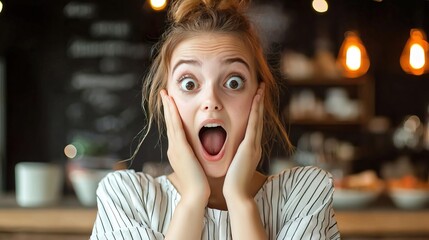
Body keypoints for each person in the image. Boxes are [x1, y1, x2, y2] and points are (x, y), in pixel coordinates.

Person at [90, 0, 340, 239]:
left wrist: (239, 201)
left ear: (258, 97)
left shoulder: (304, 194)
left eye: (233, 82)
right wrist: (193, 199)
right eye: (189, 83)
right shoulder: (126, 198)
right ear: (166, 101)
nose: (211, 100)